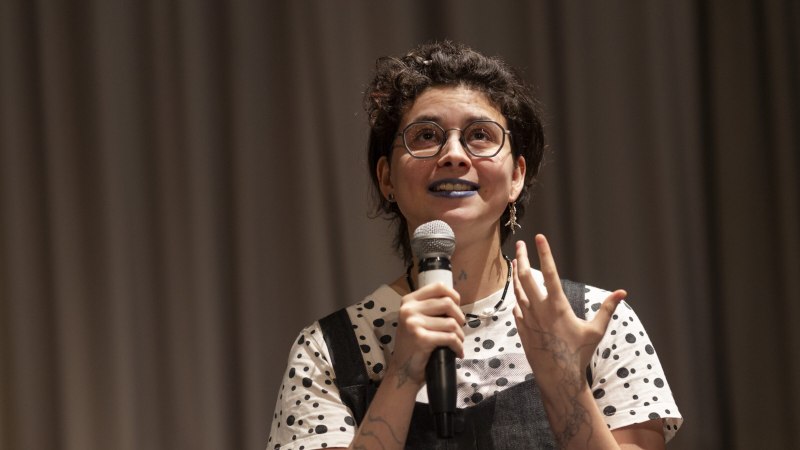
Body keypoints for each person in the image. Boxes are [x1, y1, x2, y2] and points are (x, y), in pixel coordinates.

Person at [267, 41, 682, 449]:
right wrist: (401, 375)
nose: (453, 155)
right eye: (426, 135)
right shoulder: (328, 349)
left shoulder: (597, 322)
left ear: (517, 176)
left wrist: (565, 383)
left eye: (480, 135)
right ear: (387, 178)